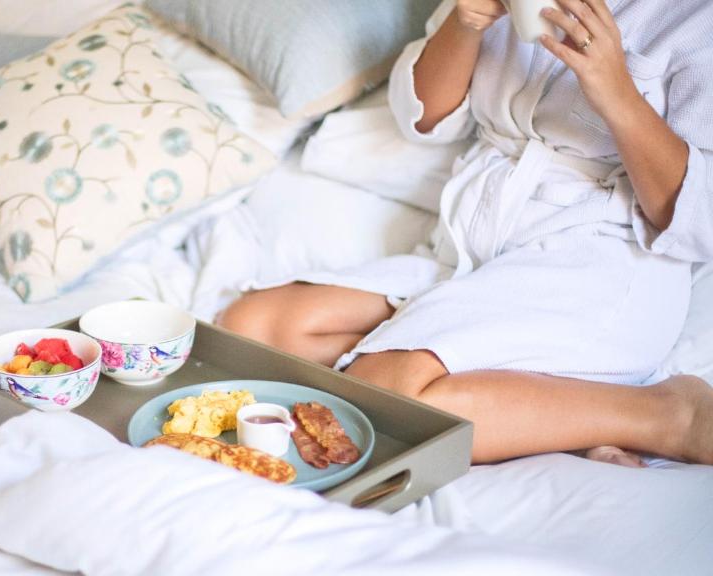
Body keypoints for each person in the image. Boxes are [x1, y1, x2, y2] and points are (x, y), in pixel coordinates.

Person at [219, 0, 713, 465]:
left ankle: (666, 415)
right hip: (473, 249)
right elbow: (423, 118)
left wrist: (617, 91)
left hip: (595, 266)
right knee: (253, 328)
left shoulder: (695, 20)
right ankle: (549, 416)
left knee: (391, 401)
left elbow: (699, 218)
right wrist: (465, 24)